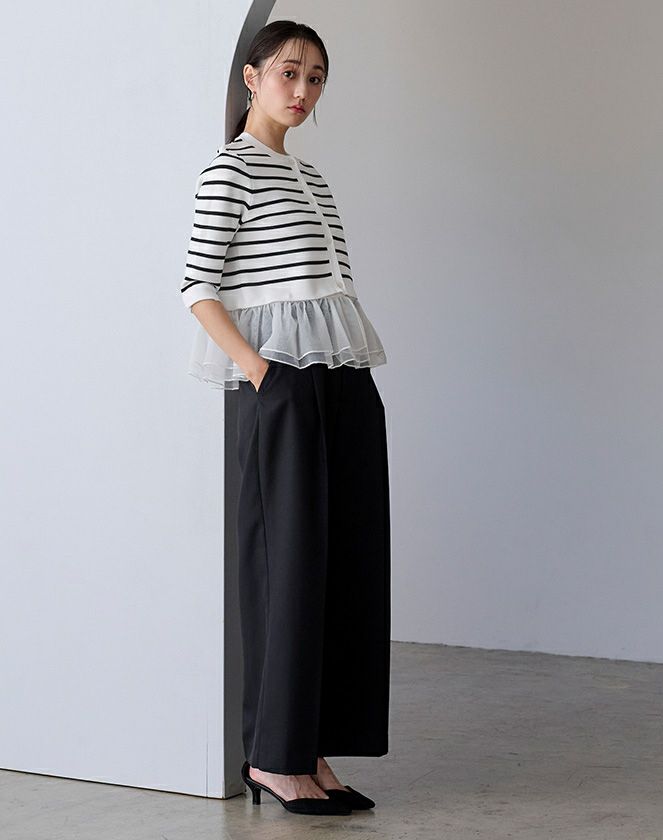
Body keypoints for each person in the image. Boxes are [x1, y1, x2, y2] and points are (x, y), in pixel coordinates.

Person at [180, 21, 391, 816]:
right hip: (284, 383)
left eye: (316, 78)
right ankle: (272, 757)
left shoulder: (313, 178)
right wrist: (261, 372)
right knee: (288, 568)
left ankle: (311, 748)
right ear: (252, 77)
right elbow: (197, 287)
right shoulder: (229, 170)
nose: (303, 90)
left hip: (343, 379)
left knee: (345, 566)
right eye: (289, 73)